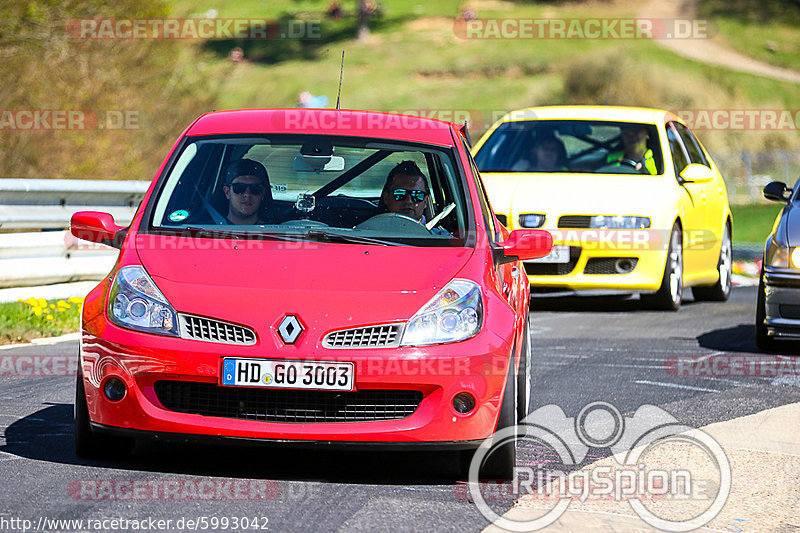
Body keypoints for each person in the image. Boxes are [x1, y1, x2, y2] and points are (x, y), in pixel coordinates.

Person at [379, 161, 450, 236]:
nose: (409, 201)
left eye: (417, 195)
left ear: (425, 202)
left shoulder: (443, 239)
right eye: (400, 194)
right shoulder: (368, 236)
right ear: (386, 198)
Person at [222, 159, 271, 225]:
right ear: (227, 192)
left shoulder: (276, 232)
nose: (247, 194)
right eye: (239, 188)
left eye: (255, 188)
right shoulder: (208, 229)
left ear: (263, 194)